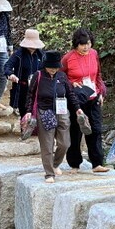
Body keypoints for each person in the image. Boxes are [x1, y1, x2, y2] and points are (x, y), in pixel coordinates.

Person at [26, 50, 82, 183]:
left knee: (65, 143)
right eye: (51, 67)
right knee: (47, 145)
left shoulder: (62, 76)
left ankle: (55, 164)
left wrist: (78, 109)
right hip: (44, 112)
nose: (53, 69)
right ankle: (49, 173)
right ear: (45, 65)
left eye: (56, 67)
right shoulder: (38, 75)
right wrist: (28, 111)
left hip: (62, 112)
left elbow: (71, 94)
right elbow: (30, 95)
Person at [62, 28, 109, 173]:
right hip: (77, 99)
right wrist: (71, 84)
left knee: (95, 129)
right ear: (76, 44)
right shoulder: (67, 58)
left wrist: (101, 92)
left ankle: (97, 164)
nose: (86, 47)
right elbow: (60, 78)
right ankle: (74, 164)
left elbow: (98, 75)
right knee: (76, 131)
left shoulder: (94, 54)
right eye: (82, 44)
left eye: (88, 43)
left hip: (93, 97)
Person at [5, 28, 44, 116]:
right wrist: (11, 74)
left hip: (37, 88)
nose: (32, 47)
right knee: (24, 112)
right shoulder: (18, 55)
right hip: (22, 88)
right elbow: (7, 66)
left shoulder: (41, 55)